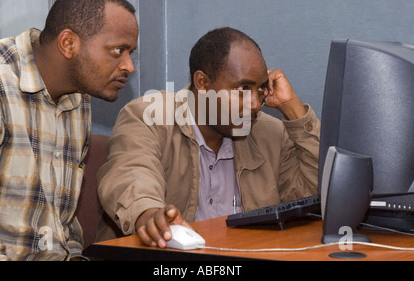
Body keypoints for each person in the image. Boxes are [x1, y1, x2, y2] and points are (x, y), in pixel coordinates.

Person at [96, 27, 319, 248]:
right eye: (242, 88)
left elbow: (315, 198)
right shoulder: (149, 116)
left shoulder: (270, 133)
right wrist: (149, 214)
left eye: (260, 89)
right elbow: (131, 173)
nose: (254, 104)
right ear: (202, 83)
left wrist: (293, 110)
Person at [0, 0, 138, 260]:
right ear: (68, 43)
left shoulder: (78, 96)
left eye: (130, 53)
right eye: (118, 50)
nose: (129, 66)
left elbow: (59, 224)